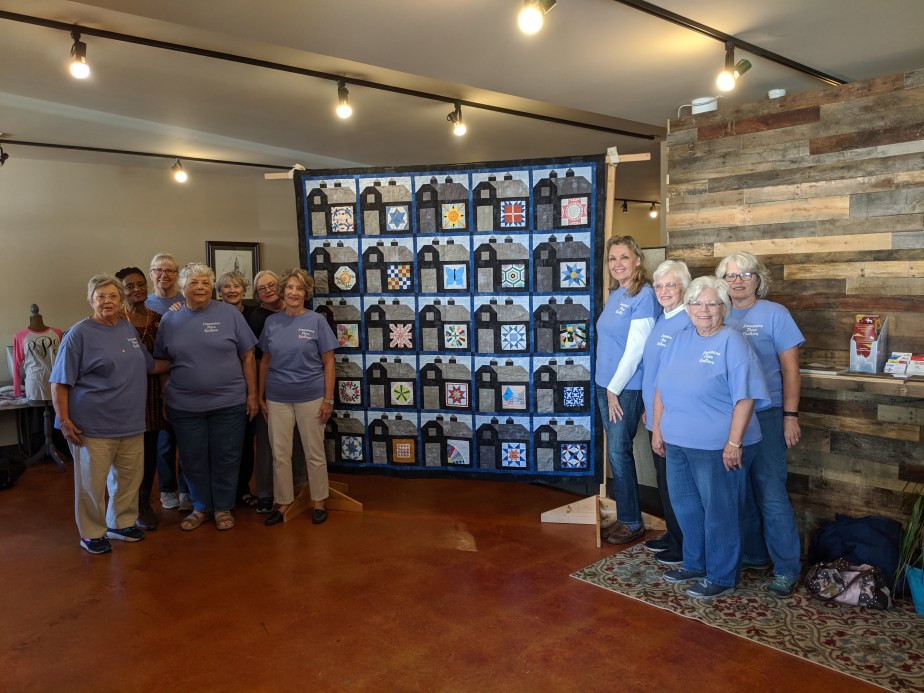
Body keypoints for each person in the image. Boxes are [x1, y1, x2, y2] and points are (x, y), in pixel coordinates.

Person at [652, 276, 769, 600]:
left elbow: (745, 398)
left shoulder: (733, 342)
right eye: (697, 303)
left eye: (712, 304)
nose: (703, 310)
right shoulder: (679, 339)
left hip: (717, 446)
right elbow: (661, 388)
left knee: (720, 512)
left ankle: (721, 575)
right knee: (687, 507)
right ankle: (695, 563)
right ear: (688, 307)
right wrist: (658, 429)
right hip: (677, 442)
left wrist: (734, 443)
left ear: (724, 308)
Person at [50, 274, 165, 554]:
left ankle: (120, 523)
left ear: (121, 299)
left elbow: (149, 366)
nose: (107, 301)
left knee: (128, 479)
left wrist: (192, 359)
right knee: (91, 484)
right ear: (91, 300)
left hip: (131, 422)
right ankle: (91, 533)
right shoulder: (78, 333)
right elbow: (59, 382)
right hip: (92, 425)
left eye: (113, 296)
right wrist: (64, 421)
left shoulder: (127, 328)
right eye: (100, 296)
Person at [716, 252, 804, 598]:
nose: (737, 281)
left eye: (745, 275)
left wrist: (790, 416)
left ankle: (787, 568)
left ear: (758, 279)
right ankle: (754, 554)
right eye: (730, 275)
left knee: (770, 491)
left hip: (767, 415)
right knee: (741, 490)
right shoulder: (716, 312)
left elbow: (791, 371)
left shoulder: (775, 314)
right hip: (728, 417)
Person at [154, 263, 258, 531]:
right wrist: (165, 396)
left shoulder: (230, 314)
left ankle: (223, 507)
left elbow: (248, 356)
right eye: (193, 282)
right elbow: (163, 362)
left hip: (229, 402)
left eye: (204, 282)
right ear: (182, 287)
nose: (200, 287)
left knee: (227, 457)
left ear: (212, 286)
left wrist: (252, 395)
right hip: (184, 405)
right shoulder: (169, 320)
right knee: (192, 459)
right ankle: (201, 507)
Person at [259, 269, 337, 526]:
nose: (294, 292)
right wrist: (259, 396)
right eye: (290, 287)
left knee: (314, 452)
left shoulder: (316, 321)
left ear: (306, 293)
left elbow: (329, 362)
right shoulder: (272, 323)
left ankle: (318, 501)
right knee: (280, 453)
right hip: (277, 397)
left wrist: (328, 399)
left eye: (300, 288)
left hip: (311, 396)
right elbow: (265, 361)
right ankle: (283, 502)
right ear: (283, 291)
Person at [595, 236, 659, 545]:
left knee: (619, 452)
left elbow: (636, 351)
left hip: (624, 388)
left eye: (624, 257)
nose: (617, 263)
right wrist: (605, 386)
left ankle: (632, 521)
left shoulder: (645, 296)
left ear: (638, 260)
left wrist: (613, 390)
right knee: (616, 451)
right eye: (612, 258)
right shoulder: (616, 294)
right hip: (605, 385)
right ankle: (625, 516)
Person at [640, 259, 692, 566]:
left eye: (671, 285)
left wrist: (659, 419)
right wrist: (649, 410)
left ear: (685, 287)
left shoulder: (686, 321)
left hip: (672, 419)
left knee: (677, 485)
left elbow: (676, 378)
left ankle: (684, 544)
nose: (663, 291)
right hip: (655, 415)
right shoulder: (663, 318)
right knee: (664, 480)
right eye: (659, 285)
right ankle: (673, 534)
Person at [248, 270, 307, 514]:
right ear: (257, 295)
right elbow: (258, 359)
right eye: (262, 288)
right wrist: (258, 394)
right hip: (271, 387)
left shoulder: (303, 313)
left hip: (302, 388)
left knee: (299, 442)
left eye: (271, 285)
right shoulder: (258, 318)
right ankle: (266, 492)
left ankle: (298, 487)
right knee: (268, 443)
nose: (268, 290)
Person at [115, 266, 166, 531]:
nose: (137, 289)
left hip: (152, 395)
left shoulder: (159, 320)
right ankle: (125, 505)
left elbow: (167, 356)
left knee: (149, 451)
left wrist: (166, 395)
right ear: (121, 292)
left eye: (140, 284)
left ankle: (143, 503)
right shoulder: (115, 321)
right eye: (129, 286)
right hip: (124, 395)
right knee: (126, 455)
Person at [144, 252, 190, 513]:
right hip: (154, 383)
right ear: (151, 273)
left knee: (186, 441)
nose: (164, 275)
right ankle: (167, 488)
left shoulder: (187, 301)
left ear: (177, 274)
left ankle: (186, 489)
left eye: (170, 270)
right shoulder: (144, 305)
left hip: (185, 380)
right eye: (158, 270)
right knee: (163, 442)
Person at [217, 270, 259, 508]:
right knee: (222, 444)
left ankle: (242, 488)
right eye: (226, 286)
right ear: (219, 291)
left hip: (250, 385)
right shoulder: (212, 313)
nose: (232, 290)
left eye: (236, 286)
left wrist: (254, 393)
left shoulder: (255, 314)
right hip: (223, 388)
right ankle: (221, 492)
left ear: (244, 290)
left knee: (244, 442)